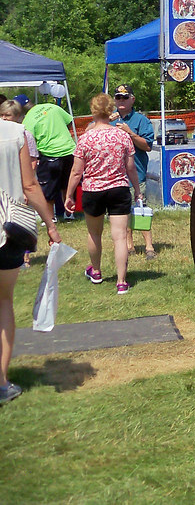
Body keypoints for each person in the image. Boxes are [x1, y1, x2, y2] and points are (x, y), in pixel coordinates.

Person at [1, 117, 62, 404]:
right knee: (3, 302)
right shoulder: (15, 133)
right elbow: (29, 184)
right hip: (7, 227)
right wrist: (50, 223)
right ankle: (1, 382)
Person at [64, 94, 140, 295]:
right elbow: (130, 167)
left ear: (93, 111)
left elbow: (76, 171)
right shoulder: (122, 136)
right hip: (118, 189)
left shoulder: (86, 138)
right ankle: (121, 281)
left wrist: (69, 194)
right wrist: (138, 190)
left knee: (94, 233)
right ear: (110, 111)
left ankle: (96, 271)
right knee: (120, 237)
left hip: (93, 190)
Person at [112, 85, 156, 259]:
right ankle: (129, 246)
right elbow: (89, 132)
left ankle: (149, 247)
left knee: (141, 210)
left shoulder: (141, 120)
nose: (121, 100)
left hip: (136, 175)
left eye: (125, 97)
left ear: (132, 99)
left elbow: (147, 146)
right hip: (115, 177)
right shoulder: (109, 120)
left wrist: (130, 133)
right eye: (118, 97)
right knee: (122, 213)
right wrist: (105, 119)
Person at [22, 98, 77, 221]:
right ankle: (69, 214)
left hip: (50, 154)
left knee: (47, 189)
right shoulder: (53, 107)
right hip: (69, 150)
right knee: (68, 185)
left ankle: (50, 218)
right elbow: (69, 121)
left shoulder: (28, 120)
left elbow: (30, 140)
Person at [1, 101, 39, 267]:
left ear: (17, 117)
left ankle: (25, 257)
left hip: (21, 183)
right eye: (1, 115)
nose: (4, 118)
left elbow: (32, 161)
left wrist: (25, 188)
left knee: (21, 220)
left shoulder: (24, 134)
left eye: (7, 115)